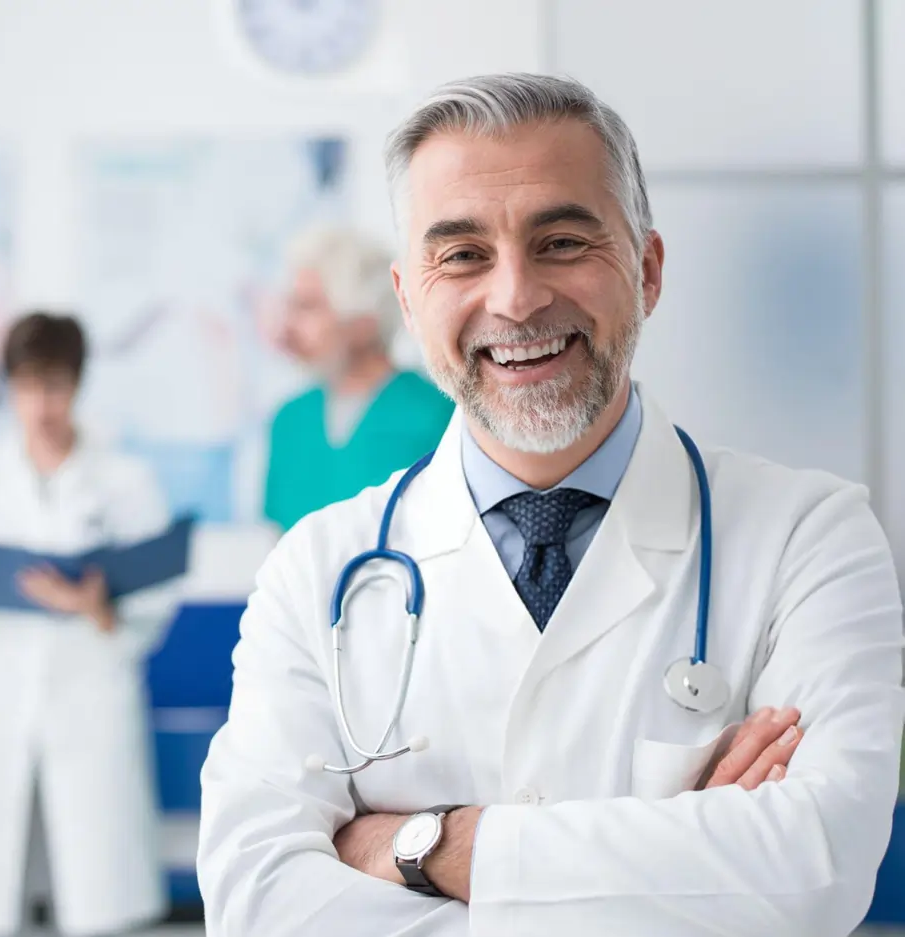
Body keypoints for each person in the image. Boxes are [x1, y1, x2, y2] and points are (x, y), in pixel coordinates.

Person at [197, 74, 905, 936]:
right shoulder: (315, 571)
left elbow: (816, 867)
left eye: (563, 240)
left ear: (646, 270)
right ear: (407, 299)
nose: (516, 297)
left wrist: (424, 846)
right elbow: (258, 900)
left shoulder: (810, 538)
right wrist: (692, 868)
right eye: (461, 255)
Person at [0, 311, 180, 937]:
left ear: (79, 385)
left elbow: (153, 611)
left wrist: (97, 609)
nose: (42, 404)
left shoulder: (125, 481)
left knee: (97, 903)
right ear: (9, 387)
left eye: (56, 386)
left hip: (90, 705)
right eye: (29, 387)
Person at [262, 224, 454, 531]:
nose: (289, 326)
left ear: (364, 320)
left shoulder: (436, 415)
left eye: (308, 307)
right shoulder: (290, 420)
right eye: (292, 306)